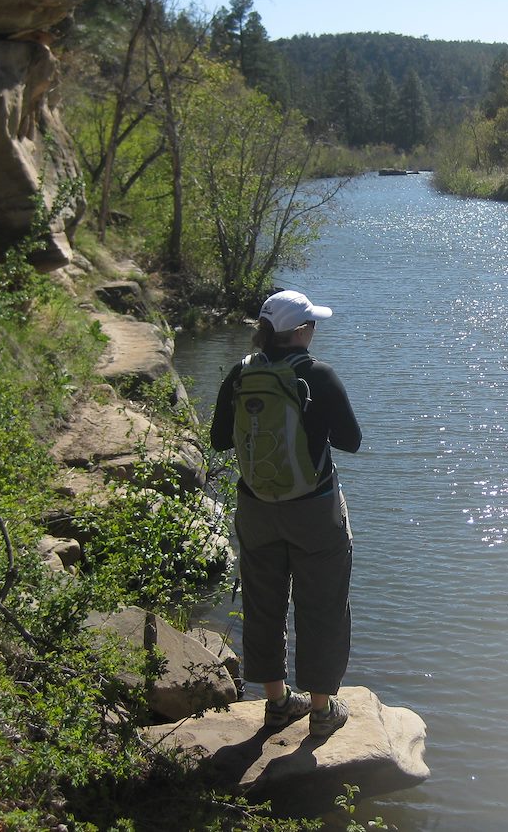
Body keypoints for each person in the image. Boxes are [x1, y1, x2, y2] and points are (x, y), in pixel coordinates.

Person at [210, 289, 362, 737]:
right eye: (312, 324)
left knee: (263, 602)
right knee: (322, 605)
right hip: (314, 511)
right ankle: (321, 708)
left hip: (256, 509)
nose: (315, 330)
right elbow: (351, 440)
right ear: (300, 331)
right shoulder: (320, 376)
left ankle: (276, 703)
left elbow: (219, 439)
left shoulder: (239, 374)